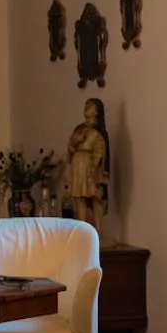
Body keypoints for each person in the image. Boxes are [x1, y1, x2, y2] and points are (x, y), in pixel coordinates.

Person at [66, 98, 110, 236]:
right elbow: (71, 148)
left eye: (90, 106)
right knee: (79, 197)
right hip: (78, 166)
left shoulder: (99, 131)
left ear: (97, 111)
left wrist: (95, 168)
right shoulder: (79, 129)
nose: (86, 108)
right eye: (85, 105)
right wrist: (74, 142)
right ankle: (82, 231)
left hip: (92, 167)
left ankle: (99, 231)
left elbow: (101, 150)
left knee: (95, 197)